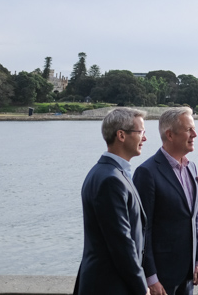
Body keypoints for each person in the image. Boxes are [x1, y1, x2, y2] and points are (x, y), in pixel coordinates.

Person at [75, 107, 150, 295]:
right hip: (110, 287)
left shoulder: (104, 172)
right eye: (141, 132)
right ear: (121, 135)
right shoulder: (111, 180)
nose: (145, 138)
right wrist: (142, 288)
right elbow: (122, 245)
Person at [133, 107, 198, 295]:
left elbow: (193, 218)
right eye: (189, 130)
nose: (195, 134)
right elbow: (142, 230)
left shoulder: (192, 168)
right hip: (162, 280)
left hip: (188, 277)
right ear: (170, 135)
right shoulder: (146, 173)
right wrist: (151, 277)